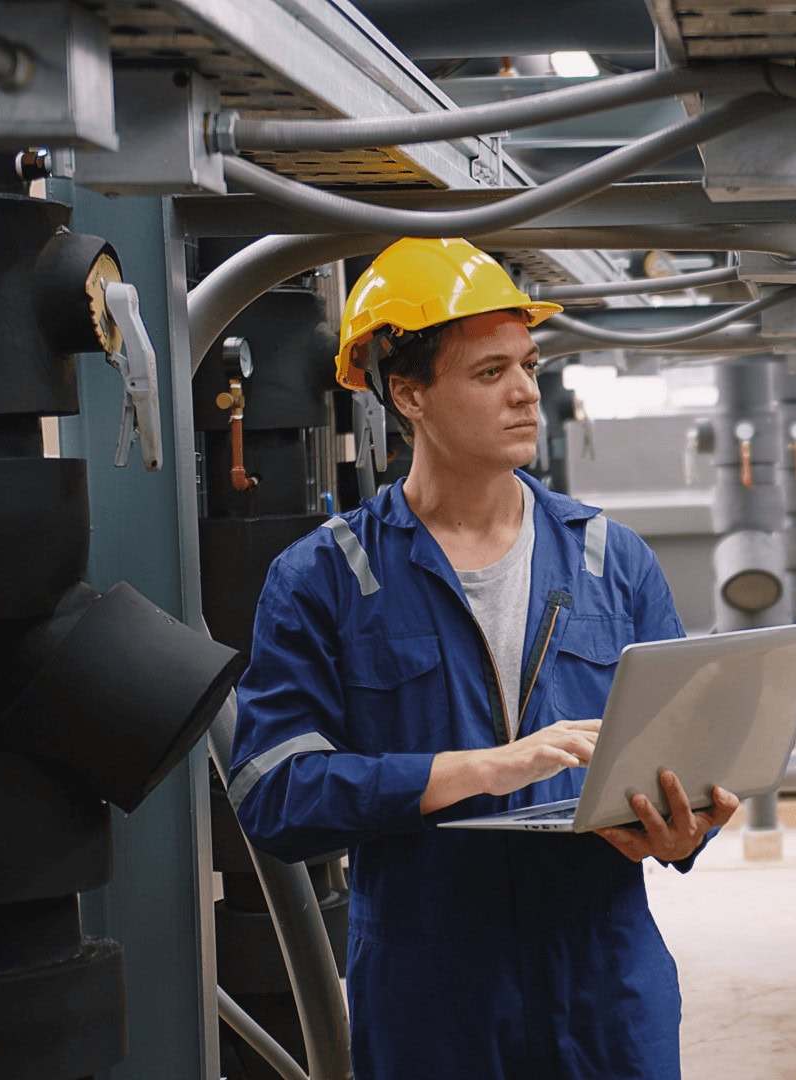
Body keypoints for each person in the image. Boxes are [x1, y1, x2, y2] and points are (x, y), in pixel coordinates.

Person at [227, 237, 737, 1079]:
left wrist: (682, 830)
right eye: (490, 372)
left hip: (605, 988)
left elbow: (675, 758)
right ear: (409, 393)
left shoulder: (612, 559)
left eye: (529, 365)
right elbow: (273, 793)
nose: (526, 392)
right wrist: (472, 770)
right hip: (434, 999)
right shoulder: (326, 578)